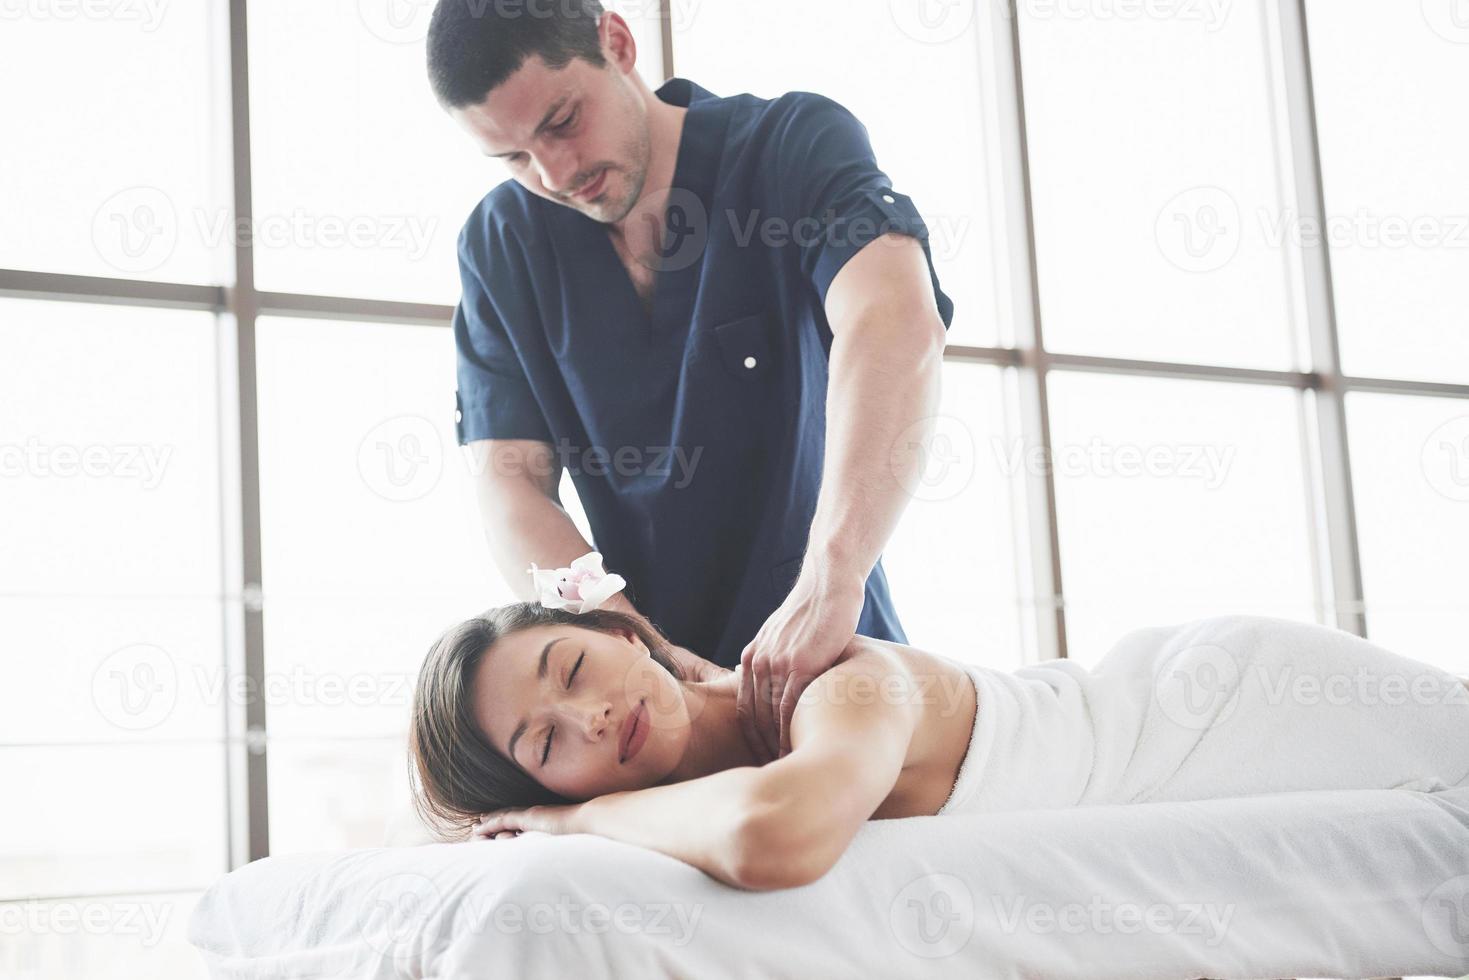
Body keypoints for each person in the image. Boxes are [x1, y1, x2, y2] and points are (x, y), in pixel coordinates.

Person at [426, 0, 953, 765]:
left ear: (617, 41)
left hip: (831, 653)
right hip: (640, 718)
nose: (555, 174)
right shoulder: (502, 243)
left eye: (563, 121)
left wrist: (831, 580)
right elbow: (511, 486)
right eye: (513, 159)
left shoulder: (788, 145)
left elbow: (895, 321)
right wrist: (638, 645)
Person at [407, 559, 1469, 891]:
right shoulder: (681, 788)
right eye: (548, 742)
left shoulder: (830, 680)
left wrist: (575, 822)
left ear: (621, 633)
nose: (590, 710)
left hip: (1228, 703)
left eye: (572, 663)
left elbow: (778, 834)